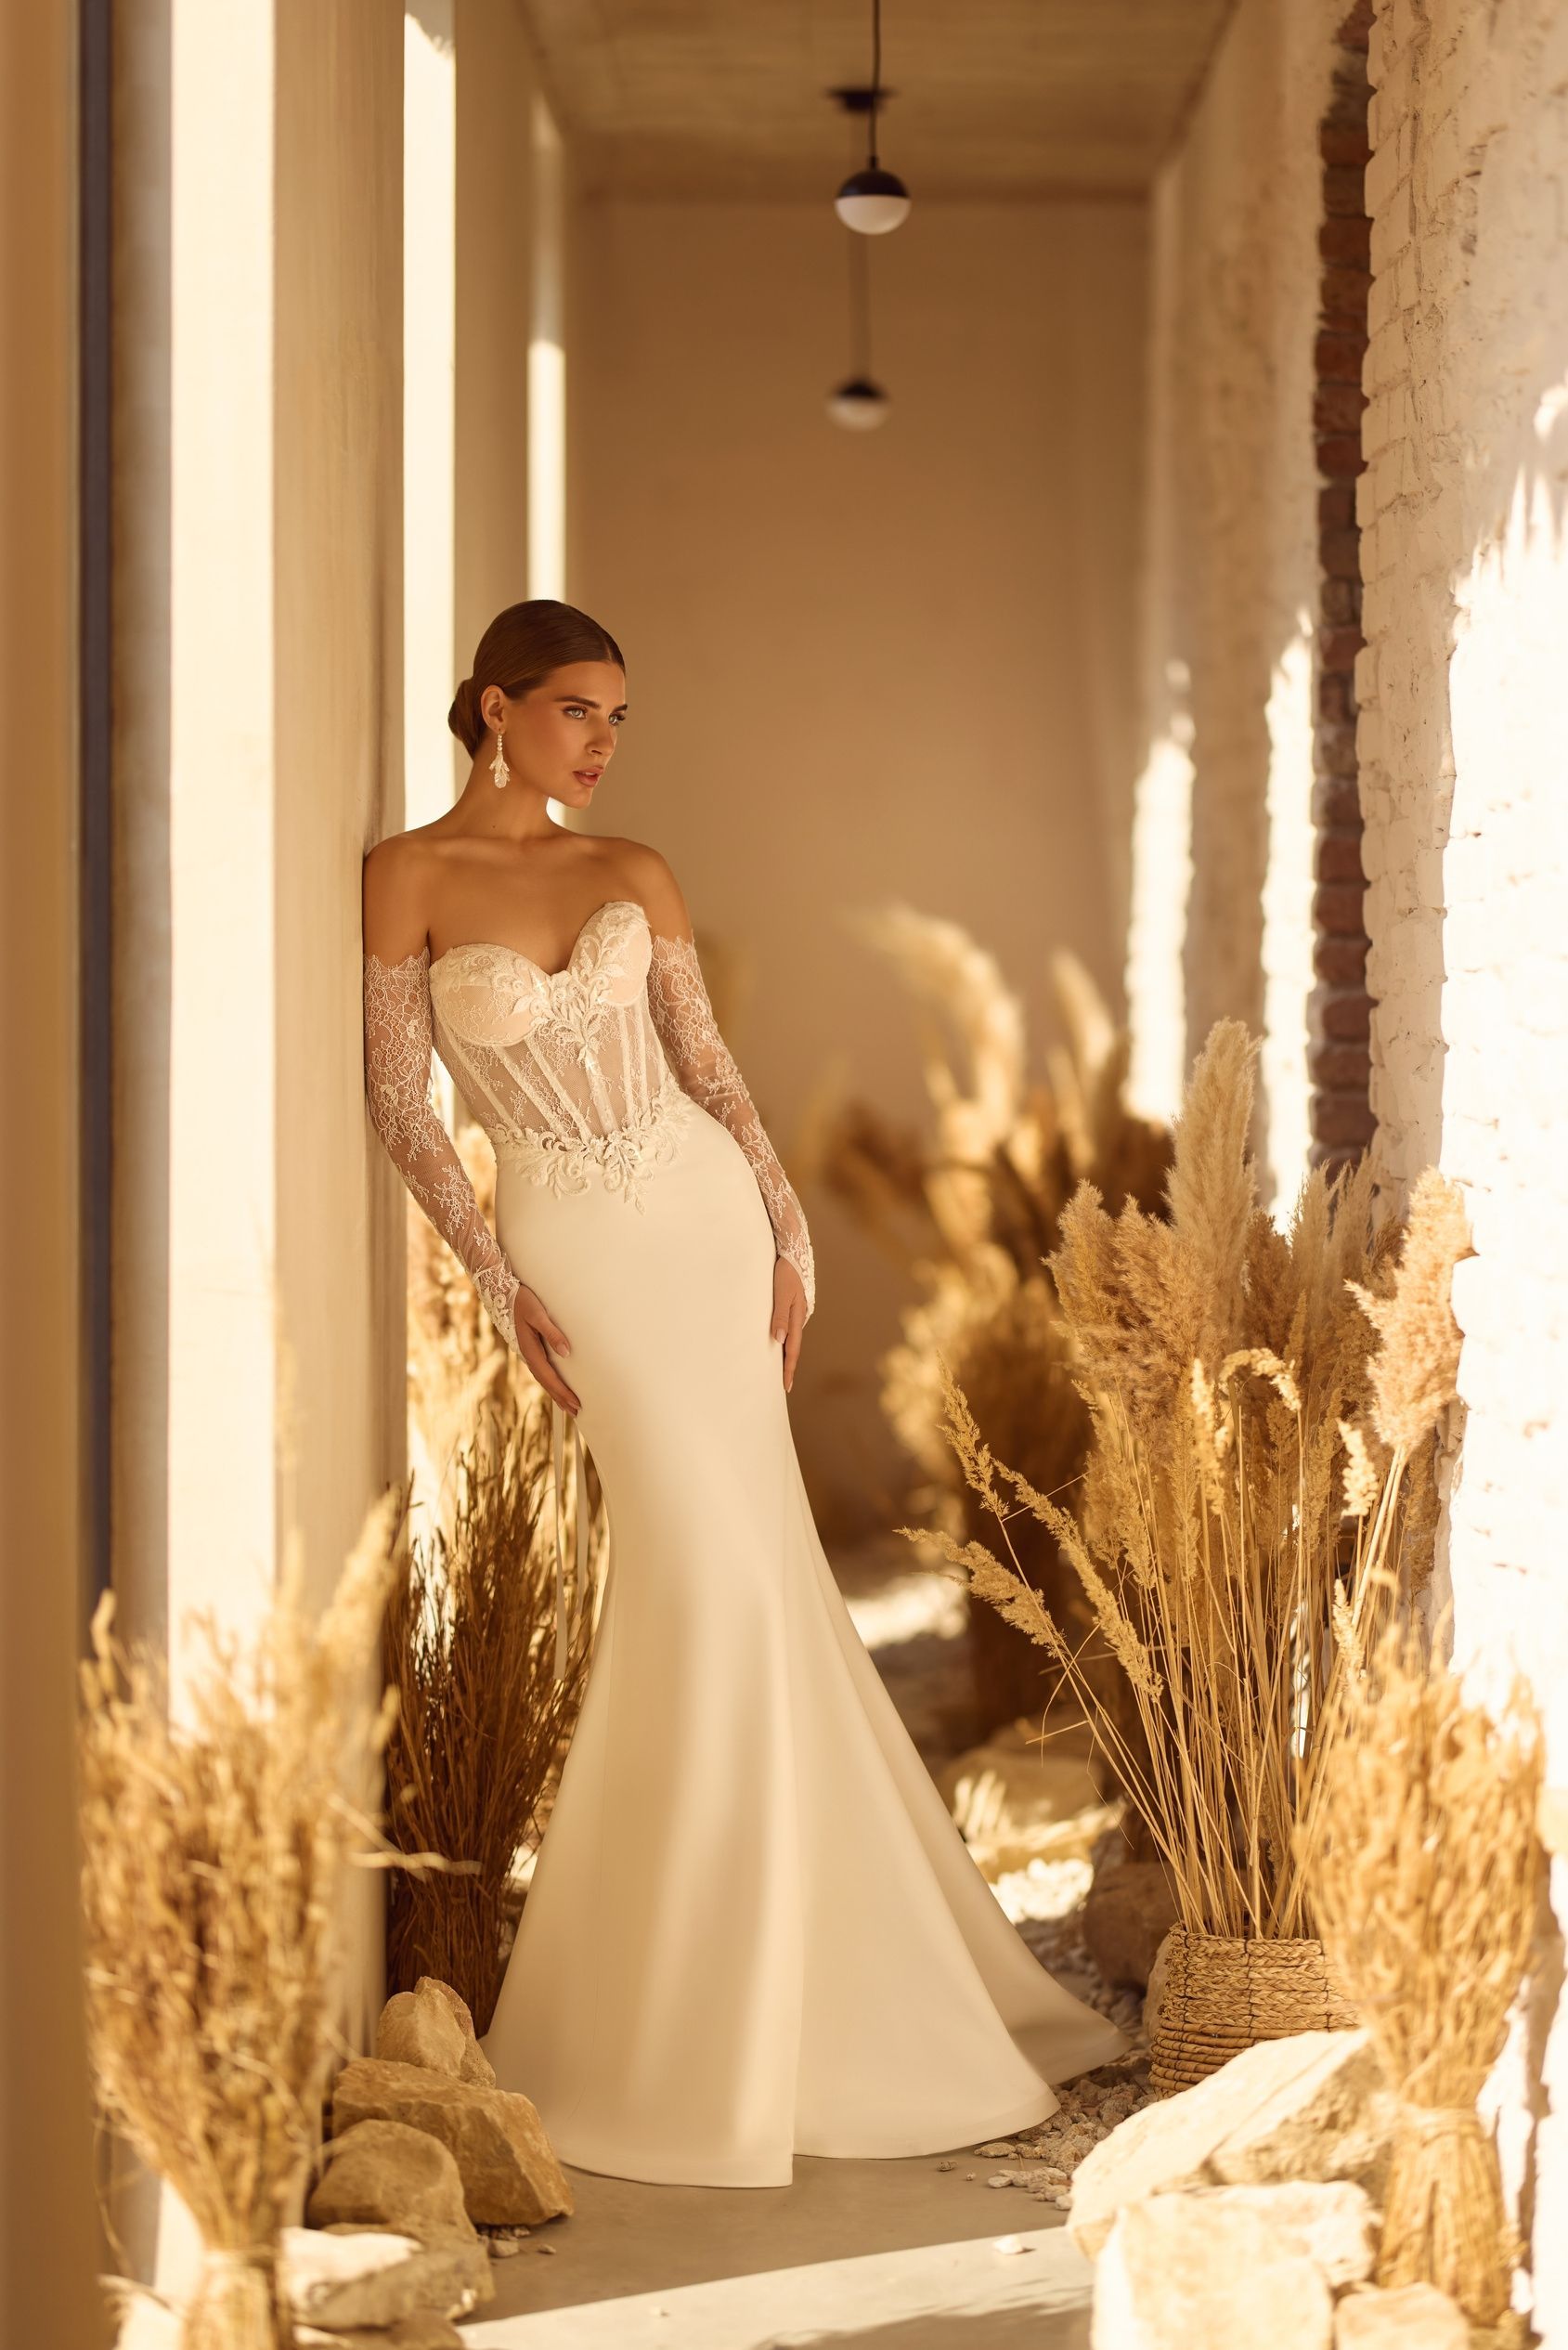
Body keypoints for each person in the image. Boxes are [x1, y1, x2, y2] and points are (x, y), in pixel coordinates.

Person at [362, 597, 1123, 2188]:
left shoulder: (632, 872)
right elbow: (403, 1111)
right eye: (579, 709)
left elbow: (711, 1076)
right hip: (571, 1246)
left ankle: (787, 2004)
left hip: (703, 1226)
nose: (603, 742)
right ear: (494, 708)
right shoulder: (408, 880)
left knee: (746, 1581)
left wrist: (786, 1229)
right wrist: (498, 1285)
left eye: (619, 718)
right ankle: (680, 2016)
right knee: (703, 1583)